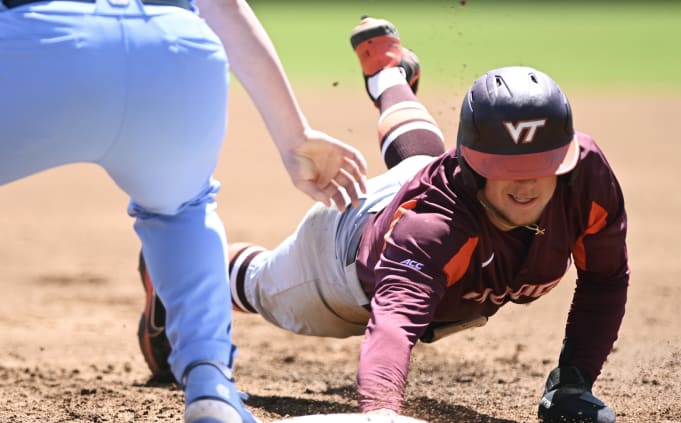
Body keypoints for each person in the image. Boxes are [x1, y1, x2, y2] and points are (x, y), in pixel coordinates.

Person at [141, 16, 629, 422]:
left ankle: (388, 76)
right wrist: (381, 412)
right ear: (474, 166)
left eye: (541, 167)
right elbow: (393, 327)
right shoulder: (431, 230)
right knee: (262, 285)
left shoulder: (585, 179)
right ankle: (177, 270)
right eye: (506, 170)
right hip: (342, 259)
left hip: (418, 195)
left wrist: (574, 381)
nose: (526, 184)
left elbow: (605, 278)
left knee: (419, 163)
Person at [0, 0, 367, 422]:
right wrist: (294, 135)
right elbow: (222, 6)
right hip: (176, 46)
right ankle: (210, 384)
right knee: (183, 209)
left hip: (41, 40)